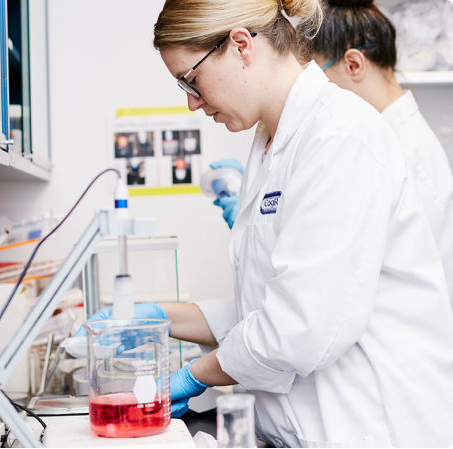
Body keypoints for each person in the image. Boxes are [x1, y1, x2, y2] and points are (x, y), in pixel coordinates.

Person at [82, 0, 453, 446]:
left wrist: (194, 375)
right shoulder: (270, 140)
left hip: (369, 426)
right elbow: (268, 301)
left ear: (241, 45)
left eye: (191, 79)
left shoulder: (341, 135)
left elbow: (299, 325)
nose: (191, 103)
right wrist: (163, 317)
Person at [304, 0, 453, 303]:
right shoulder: (386, 136)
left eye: (318, 77)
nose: (316, 94)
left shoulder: (403, 151)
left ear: (354, 64)